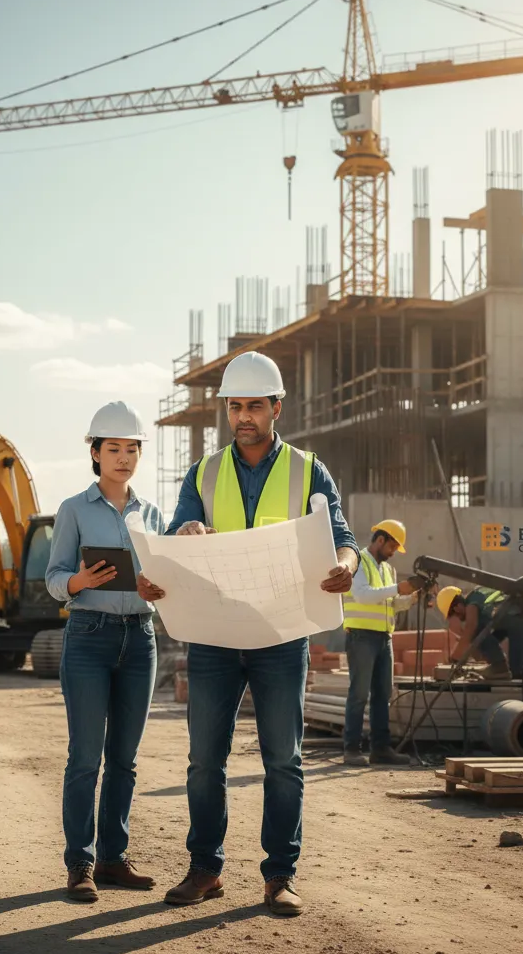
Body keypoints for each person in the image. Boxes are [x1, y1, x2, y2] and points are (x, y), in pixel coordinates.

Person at [137, 351, 359, 918]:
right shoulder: (204, 473)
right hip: (214, 636)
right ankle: (205, 869)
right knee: (204, 761)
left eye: (254, 406)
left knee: (283, 760)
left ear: (276, 408)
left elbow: (342, 535)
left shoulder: (310, 469)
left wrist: (348, 566)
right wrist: (180, 535)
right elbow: (171, 540)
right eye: (234, 407)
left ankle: (279, 876)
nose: (243, 417)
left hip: (283, 636)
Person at [45, 401, 164, 903]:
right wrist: (79, 580)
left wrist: (159, 587)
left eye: (131, 449)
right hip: (89, 636)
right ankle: (80, 863)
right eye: (113, 448)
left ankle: (114, 859)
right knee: (85, 757)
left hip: (141, 639)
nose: (123, 457)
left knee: (125, 760)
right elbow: (53, 579)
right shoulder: (73, 509)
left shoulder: (153, 513)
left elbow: (168, 576)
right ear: (94, 453)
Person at [341, 519, 419, 767]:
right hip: (361, 636)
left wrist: (412, 597)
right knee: (359, 694)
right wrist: (398, 587)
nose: (394, 552)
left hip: (384, 637)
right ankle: (352, 749)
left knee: (382, 696)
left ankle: (381, 749)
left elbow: (392, 603)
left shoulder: (388, 570)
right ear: (381, 540)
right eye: (393, 546)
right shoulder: (358, 562)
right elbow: (363, 595)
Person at [436, 584, 523, 680]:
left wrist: (456, 658)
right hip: (521, 623)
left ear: (457, 608)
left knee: (517, 672)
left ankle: (499, 666)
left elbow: (471, 627)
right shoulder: (480, 608)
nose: (459, 619)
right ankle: (498, 666)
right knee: (517, 672)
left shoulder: (472, 600)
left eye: (455, 616)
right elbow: (479, 644)